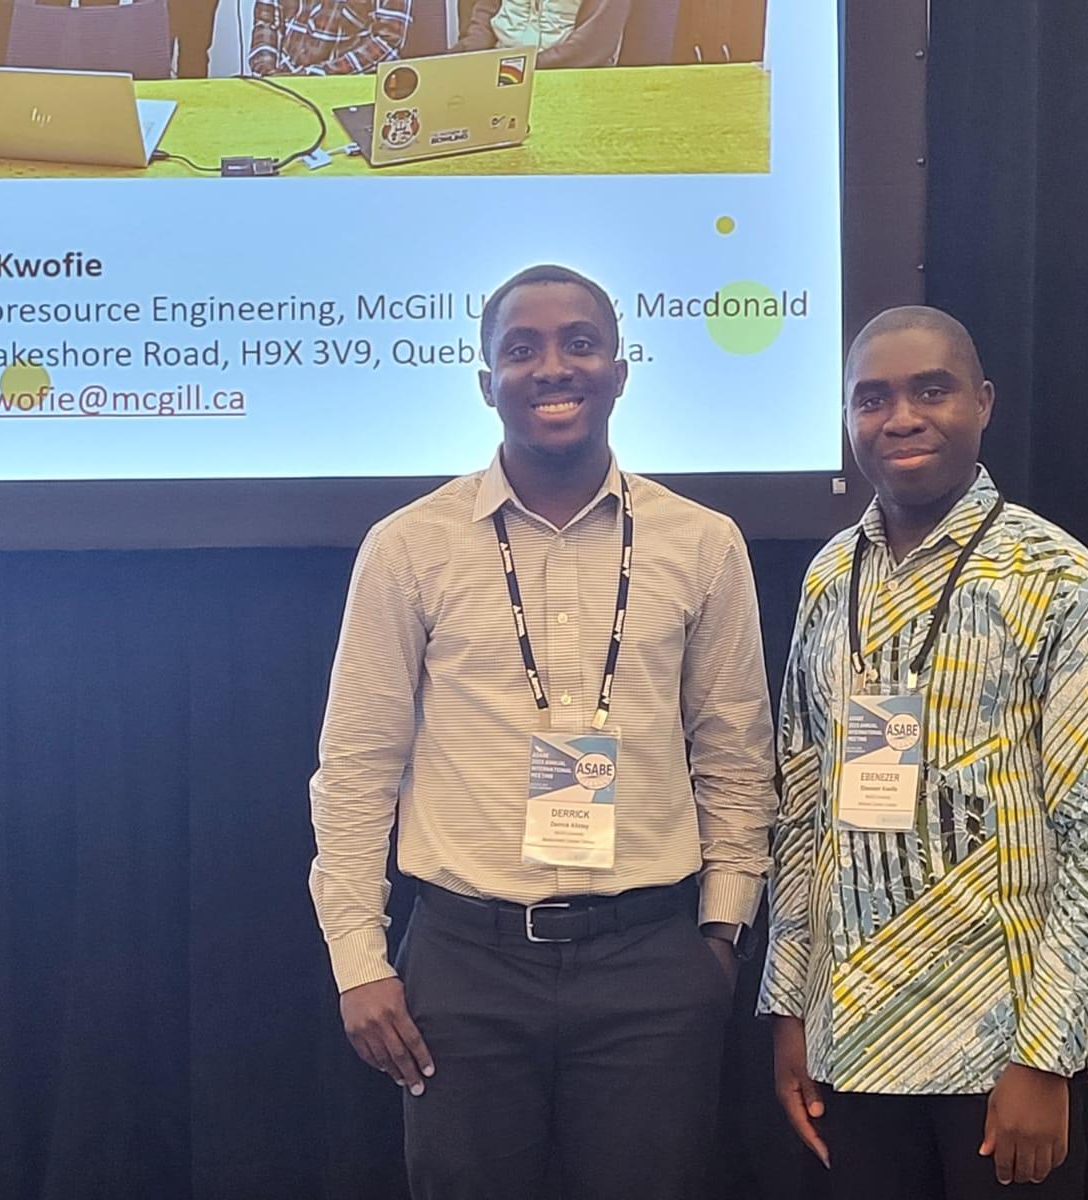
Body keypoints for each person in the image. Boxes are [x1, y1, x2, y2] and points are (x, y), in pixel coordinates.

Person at [310, 263, 775, 1200]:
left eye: (579, 343)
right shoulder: (408, 547)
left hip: (649, 963)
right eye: (521, 350)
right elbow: (357, 771)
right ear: (486, 382)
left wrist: (719, 935)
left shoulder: (702, 542)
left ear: (619, 369)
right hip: (465, 968)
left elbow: (736, 758)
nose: (552, 367)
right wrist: (359, 961)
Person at [758, 307, 1088, 1199]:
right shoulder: (827, 576)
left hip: (1000, 1050)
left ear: (983, 402)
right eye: (872, 398)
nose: (900, 418)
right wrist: (788, 1010)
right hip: (848, 1040)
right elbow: (802, 806)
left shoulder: (1064, 582)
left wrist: (1047, 1057)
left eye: (930, 390)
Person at [454, 0, 632, 69]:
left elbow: (591, 47)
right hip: (499, 70)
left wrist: (516, 68)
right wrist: (469, 56)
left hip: (572, 75)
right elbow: (483, 15)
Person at [250, 0, 410, 75]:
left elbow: (388, 43)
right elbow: (266, 22)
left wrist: (314, 75)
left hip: (343, 89)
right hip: (280, 82)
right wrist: (267, 70)